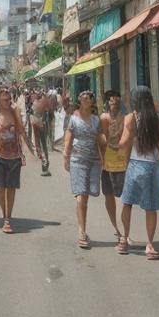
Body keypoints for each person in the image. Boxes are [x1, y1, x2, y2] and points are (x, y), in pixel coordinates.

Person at [116, 85, 159, 259]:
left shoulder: (131, 118)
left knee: (127, 203)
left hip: (135, 165)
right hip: (153, 166)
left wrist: (113, 144)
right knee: (150, 207)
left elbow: (124, 143)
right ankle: (150, 245)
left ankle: (123, 240)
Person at [0, 86, 34, 233]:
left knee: (11, 188)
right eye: (3, 94)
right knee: (0, 188)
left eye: (8, 94)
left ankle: (8, 217)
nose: (6, 97)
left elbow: (21, 131)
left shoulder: (15, 114)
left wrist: (33, 151)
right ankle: (4, 214)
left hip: (14, 157)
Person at [63, 89, 101, 250]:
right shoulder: (73, 119)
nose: (87, 100)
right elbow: (68, 139)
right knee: (81, 196)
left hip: (93, 161)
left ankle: (82, 228)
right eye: (84, 97)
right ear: (80, 101)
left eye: (90, 98)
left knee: (88, 194)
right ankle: (82, 232)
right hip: (77, 160)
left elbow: (100, 140)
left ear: (92, 102)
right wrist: (66, 155)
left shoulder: (96, 120)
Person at [99, 90, 128, 243]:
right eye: (111, 100)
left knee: (122, 197)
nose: (114, 102)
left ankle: (124, 230)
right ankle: (116, 227)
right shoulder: (103, 118)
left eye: (116, 99)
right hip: (106, 162)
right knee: (109, 195)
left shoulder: (126, 118)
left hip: (122, 162)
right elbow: (101, 138)